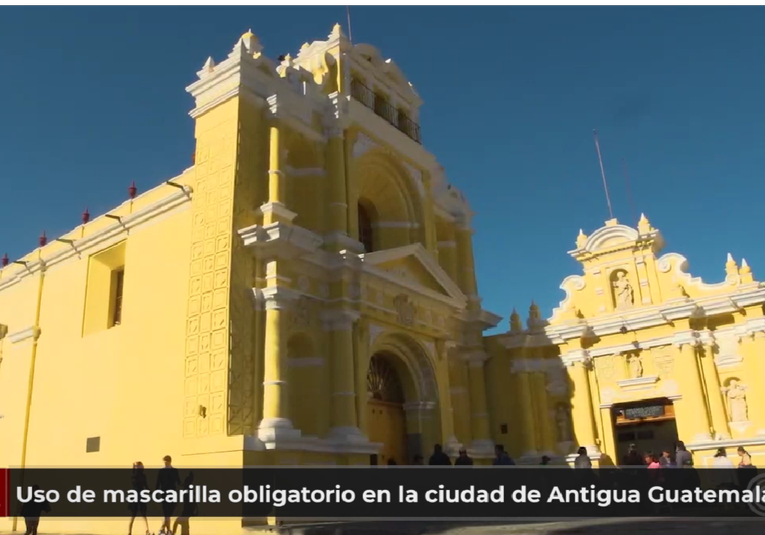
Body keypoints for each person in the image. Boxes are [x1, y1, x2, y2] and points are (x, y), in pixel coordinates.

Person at [157, 455, 181, 535]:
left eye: (166, 462)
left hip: (171, 493)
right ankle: (168, 531)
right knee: (166, 513)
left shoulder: (174, 471)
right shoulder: (162, 471)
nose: (164, 463)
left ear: (169, 461)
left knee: (168, 513)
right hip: (164, 493)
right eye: (164, 462)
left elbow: (178, 482)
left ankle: (162, 529)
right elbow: (158, 482)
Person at [128, 462, 150, 535]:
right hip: (136, 496)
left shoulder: (140, 476)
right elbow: (144, 485)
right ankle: (129, 532)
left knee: (141, 514)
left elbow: (146, 486)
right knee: (134, 515)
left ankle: (147, 531)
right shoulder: (135, 476)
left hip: (138, 495)